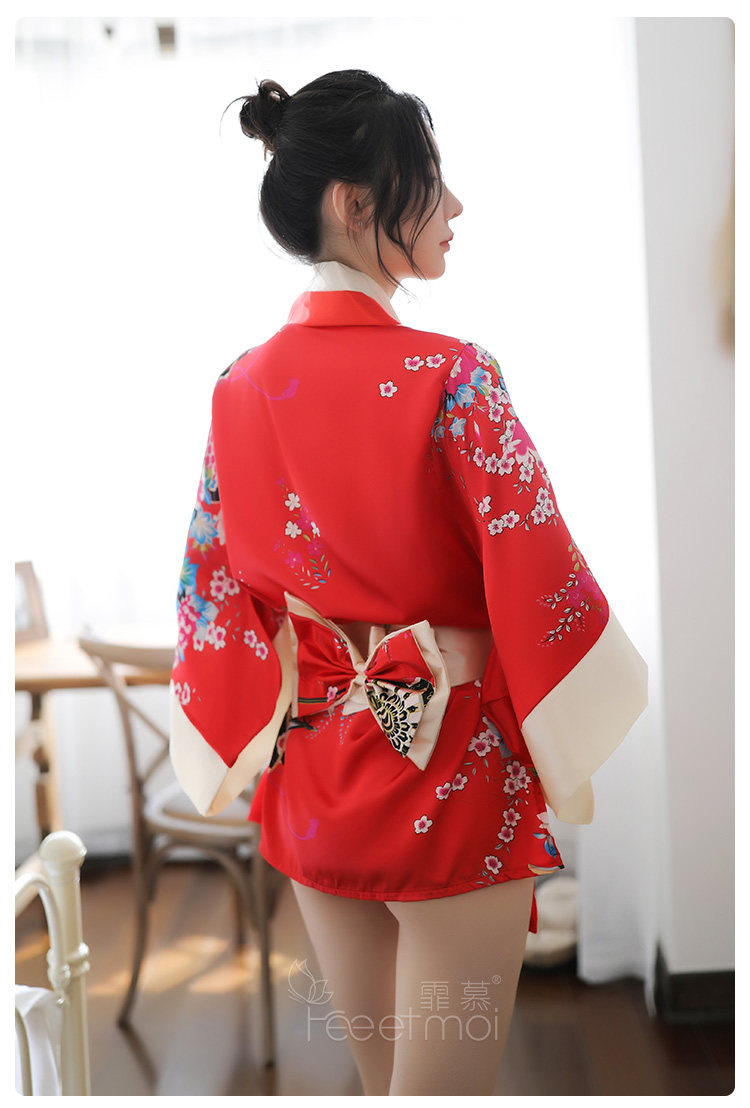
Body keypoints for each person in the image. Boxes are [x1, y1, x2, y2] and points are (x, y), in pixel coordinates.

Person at [169, 69, 648, 1096]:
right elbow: (538, 565)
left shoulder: (237, 388)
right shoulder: (454, 374)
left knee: (390, 1081)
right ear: (356, 203)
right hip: (452, 769)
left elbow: (214, 595)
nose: (454, 206)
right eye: (429, 182)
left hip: (316, 776)